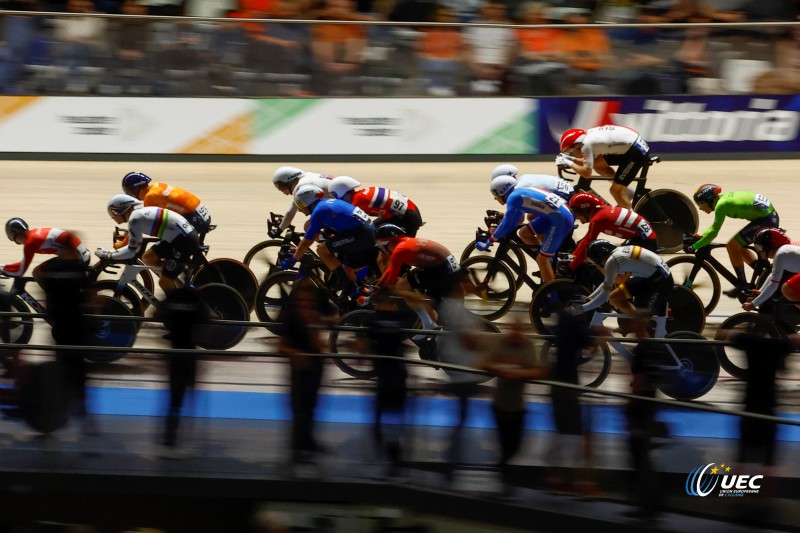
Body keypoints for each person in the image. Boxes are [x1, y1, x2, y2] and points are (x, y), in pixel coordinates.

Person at [480, 316, 548, 493]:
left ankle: (504, 476)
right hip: (501, 404)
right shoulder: (501, 343)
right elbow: (484, 362)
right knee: (505, 443)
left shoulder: (527, 346)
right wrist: (503, 370)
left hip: (517, 405)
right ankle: (504, 478)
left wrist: (516, 374)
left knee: (514, 444)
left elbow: (538, 370)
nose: (516, 334)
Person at [281, 183, 377, 308]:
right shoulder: (326, 203)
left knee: (322, 250)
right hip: (362, 231)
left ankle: (351, 288)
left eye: (300, 205)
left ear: (308, 202)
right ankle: (349, 282)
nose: (299, 209)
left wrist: (293, 260)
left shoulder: (319, 211)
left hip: (360, 235)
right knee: (326, 241)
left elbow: (306, 241)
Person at [370, 223, 460, 355]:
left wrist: (380, 293)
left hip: (441, 270)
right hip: (444, 268)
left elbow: (391, 282)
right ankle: (437, 327)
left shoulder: (399, 251)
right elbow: (390, 270)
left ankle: (429, 324)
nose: (380, 250)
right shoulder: (405, 243)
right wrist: (379, 284)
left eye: (380, 246)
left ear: (385, 243)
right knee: (422, 293)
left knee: (402, 286)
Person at [476, 177, 575, 283]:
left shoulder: (513, 198)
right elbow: (515, 221)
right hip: (557, 215)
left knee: (542, 260)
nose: (496, 198)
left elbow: (507, 223)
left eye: (495, 195)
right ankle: (550, 263)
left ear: (502, 191)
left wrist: (489, 241)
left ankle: (551, 295)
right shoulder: (517, 194)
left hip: (560, 220)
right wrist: (499, 229)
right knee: (524, 233)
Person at [95, 194, 201, 292]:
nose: (112, 217)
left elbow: (132, 251)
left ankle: (176, 306)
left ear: (119, 211)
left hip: (184, 242)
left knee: (164, 283)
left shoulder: (135, 219)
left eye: (112, 214)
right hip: (178, 237)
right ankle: (179, 282)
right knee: (148, 258)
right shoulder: (137, 215)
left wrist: (109, 255)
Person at [276, 280, 332, 463]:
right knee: (299, 408)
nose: (306, 301)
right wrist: (295, 353)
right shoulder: (291, 315)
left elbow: (331, 320)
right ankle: (298, 448)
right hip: (299, 368)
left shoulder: (316, 313)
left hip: (315, 366)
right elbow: (281, 345)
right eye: (302, 298)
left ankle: (307, 443)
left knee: (310, 407)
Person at [688, 184, 779, 296]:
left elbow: (713, 232)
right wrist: (703, 237)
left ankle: (742, 285)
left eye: (700, 204)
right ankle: (761, 272)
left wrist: (694, 247)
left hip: (766, 219)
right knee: (738, 247)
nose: (700, 208)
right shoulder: (723, 199)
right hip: (768, 217)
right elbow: (712, 230)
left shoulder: (722, 205)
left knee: (732, 246)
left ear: (707, 201)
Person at [574, 240, 673, 339]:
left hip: (660, 281)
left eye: (594, 263)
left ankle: (646, 348)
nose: (596, 267)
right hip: (649, 277)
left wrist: (580, 309)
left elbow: (603, 297)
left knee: (638, 327)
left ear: (599, 258)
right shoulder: (616, 255)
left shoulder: (612, 262)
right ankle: (638, 319)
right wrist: (590, 297)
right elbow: (607, 283)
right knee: (615, 297)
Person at [155, 286, 208, 457]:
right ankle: (183, 436)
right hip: (189, 353)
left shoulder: (173, 296)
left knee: (173, 398)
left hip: (175, 352)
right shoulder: (195, 299)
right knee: (188, 395)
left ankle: (169, 436)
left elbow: (157, 314)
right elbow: (207, 318)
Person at [556, 124, 651, 209]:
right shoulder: (586, 139)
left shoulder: (587, 145)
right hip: (631, 146)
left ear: (576, 146)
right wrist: (570, 160)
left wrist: (568, 162)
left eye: (570, 152)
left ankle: (632, 221)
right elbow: (587, 162)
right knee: (598, 164)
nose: (571, 155)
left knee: (615, 191)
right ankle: (626, 192)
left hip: (637, 151)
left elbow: (587, 174)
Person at [567, 191, 658, 270]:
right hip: (641, 237)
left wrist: (570, 266)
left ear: (584, 210)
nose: (577, 218)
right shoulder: (600, 212)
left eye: (577, 213)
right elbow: (585, 241)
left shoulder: (597, 220)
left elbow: (586, 244)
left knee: (613, 264)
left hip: (644, 240)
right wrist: (572, 258)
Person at [1, 217, 91, 286]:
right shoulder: (33, 234)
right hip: (80, 255)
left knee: (38, 273)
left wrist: (3, 269)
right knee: (39, 271)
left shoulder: (30, 243)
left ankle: (54, 302)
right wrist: (3, 267)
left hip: (76, 259)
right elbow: (22, 264)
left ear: (13, 237)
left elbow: (20, 271)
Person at [121, 171, 212, 238]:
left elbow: (146, 224)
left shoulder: (150, 197)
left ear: (136, 189)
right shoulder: (157, 185)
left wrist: (129, 235)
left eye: (130, 192)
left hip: (195, 220)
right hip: (201, 215)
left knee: (154, 252)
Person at [328, 176, 424, 237]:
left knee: (370, 238)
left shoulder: (357, 202)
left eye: (334, 195)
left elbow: (349, 223)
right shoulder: (360, 195)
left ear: (341, 192)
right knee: (372, 230)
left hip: (407, 218)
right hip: (406, 213)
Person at [744, 227, 798, 311]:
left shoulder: (780, 255)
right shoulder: (785, 251)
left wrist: (753, 304)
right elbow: (773, 275)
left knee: (786, 289)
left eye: (759, 247)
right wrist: (760, 293)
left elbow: (773, 285)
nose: (758, 251)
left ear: (770, 246)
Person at [490, 164, 574, 201]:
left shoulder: (518, 189)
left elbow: (519, 218)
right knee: (532, 216)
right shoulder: (522, 178)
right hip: (565, 189)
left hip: (563, 194)